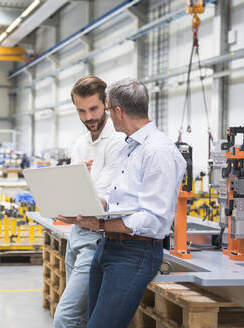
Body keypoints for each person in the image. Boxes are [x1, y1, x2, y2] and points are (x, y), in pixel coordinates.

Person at [58, 78, 186, 328]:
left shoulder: (158, 152)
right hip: (108, 246)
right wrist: (82, 205)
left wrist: (100, 225)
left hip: (135, 253)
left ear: (117, 111)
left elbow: (154, 220)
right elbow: (117, 199)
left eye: (105, 109)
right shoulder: (131, 147)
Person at [53, 75, 125, 328]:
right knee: (81, 317)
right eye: (81, 111)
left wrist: (84, 179)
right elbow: (75, 191)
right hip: (76, 234)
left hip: (98, 238)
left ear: (106, 103)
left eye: (93, 109)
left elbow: (103, 198)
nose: (88, 118)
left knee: (65, 318)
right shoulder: (81, 143)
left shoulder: (117, 141)